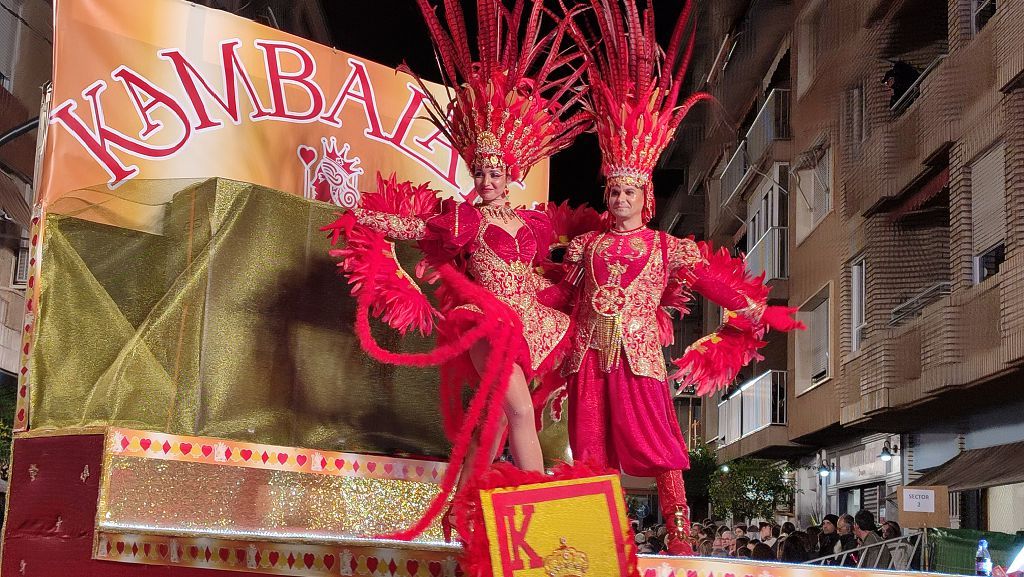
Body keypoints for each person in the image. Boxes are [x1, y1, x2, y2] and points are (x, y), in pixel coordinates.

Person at [325, 0, 588, 541]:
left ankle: (460, 513)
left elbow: (563, 257)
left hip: (530, 322)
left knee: (493, 423)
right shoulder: (461, 219)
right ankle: (540, 513)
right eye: (480, 170)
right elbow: (413, 230)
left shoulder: (533, 225)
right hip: (484, 321)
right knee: (517, 409)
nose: (487, 178)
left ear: (509, 173)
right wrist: (356, 206)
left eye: (495, 171)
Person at [547, 0, 802, 555]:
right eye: (612, 190)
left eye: (629, 190)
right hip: (590, 356)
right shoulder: (584, 247)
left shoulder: (667, 247)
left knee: (660, 446)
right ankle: (599, 538)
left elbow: (715, 281)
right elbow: (553, 290)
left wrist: (755, 310)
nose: (618, 198)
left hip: (639, 354)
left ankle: (681, 535)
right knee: (589, 451)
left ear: (646, 196)